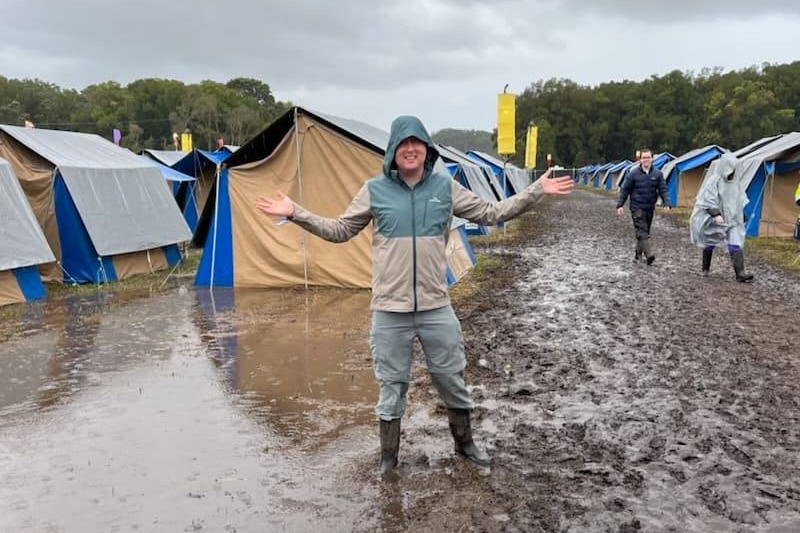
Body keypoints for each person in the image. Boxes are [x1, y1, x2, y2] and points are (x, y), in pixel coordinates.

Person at [255, 115, 574, 474]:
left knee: (452, 378)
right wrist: (296, 212)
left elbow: (490, 213)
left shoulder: (444, 187)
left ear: (427, 150)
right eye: (402, 143)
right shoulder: (374, 190)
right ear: (392, 150)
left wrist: (535, 192)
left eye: (416, 143)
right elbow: (340, 230)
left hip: (436, 306)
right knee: (392, 387)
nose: (410, 149)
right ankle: (388, 458)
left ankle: (465, 444)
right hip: (389, 311)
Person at [690, 152, 753, 282]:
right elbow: (707, 199)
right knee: (709, 241)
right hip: (714, 219)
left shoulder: (736, 183)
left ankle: (740, 273)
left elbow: (738, 201)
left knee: (735, 242)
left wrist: (742, 215)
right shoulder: (715, 180)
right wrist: (715, 213)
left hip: (732, 219)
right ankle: (705, 268)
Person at [615, 148, 670, 264]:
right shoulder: (633, 173)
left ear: (652, 159)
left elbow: (663, 189)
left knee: (644, 232)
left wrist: (667, 203)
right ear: (640, 160)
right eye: (644, 158)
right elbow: (625, 190)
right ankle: (648, 255)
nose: (646, 160)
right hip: (636, 207)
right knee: (642, 231)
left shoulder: (658, 174)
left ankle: (637, 255)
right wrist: (620, 205)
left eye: (648, 158)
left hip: (649, 207)